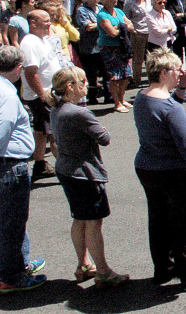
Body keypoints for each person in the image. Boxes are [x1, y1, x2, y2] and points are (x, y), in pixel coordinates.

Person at [133, 48, 186, 291]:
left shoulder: (143, 97)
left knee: (158, 221)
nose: (181, 71)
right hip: (177, 173)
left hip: (149, 168)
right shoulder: (171, 109)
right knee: (185, 225)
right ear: (165, 72)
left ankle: (163, 269)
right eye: (177, 68)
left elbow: (167, 107)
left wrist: (181, 88)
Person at [48, 67, 129, 287]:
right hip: (84, 175)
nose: (87, 83)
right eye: (82, 80)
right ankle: (103, 272)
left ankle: (83, 265)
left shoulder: (56, 109)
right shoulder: (79, 113)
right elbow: (105, 137)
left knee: (79, 219)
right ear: (70, 86)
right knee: (93, 223)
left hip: (66, 171)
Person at [0, 46, 47, 294]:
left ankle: (19, 264)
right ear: (19, 68)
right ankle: (12, 277)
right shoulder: (7, 95)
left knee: (14, 220)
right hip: (6, 165)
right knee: (12, 223)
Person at [19, 9, 65, 178]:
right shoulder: (30, 43)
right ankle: (67, 170)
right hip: (42, 96)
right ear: (33, 23)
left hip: (48, 93)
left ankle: (39, 165)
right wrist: (43, 95)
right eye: (45, 20)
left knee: (41, 131)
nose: (49, 23)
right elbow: (31, 73)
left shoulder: (43, 39)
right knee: (55, 134)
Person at [96, 0, 135, 113]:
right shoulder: (102, 15)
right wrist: (122, 27)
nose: (115, 0)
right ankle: (116, 102)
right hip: (109, 48)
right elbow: (111, 33)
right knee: (114, 76)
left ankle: (122, 99)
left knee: (125, 75)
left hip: (122, 47)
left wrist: (120, 27)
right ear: (105, 0)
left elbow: (131, 26)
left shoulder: (118, 11)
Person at [124, 0, 152, 86]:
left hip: (150, 31)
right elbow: (126, 18)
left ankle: (152, 78)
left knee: (150, 57)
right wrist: (132, 29)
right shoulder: (129, 2)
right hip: (138, 32)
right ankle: (136, 80)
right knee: (138, 58)